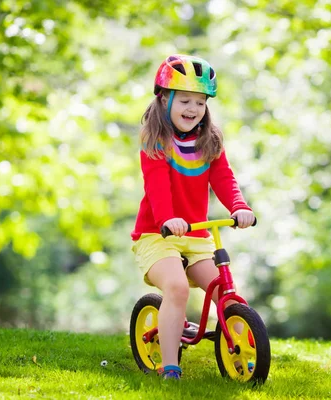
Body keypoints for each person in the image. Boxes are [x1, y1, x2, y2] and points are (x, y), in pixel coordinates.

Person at [131, 54, 256, 380]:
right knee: (176, 287)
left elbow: (225, 179)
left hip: (197, 235)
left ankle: (236, 351)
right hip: (157, 234)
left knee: (224, 293)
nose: (192, 109)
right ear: (164, 99)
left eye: (200, 102)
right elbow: (157, 186)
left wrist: (239, 207)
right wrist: (168, 219)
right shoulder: (155, 141)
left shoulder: (209, 140)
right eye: (184, 100)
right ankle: (170, 366)